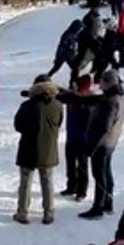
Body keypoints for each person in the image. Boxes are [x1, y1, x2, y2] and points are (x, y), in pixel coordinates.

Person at [14, 75, 63, 224]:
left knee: (25, 182)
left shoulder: (27, 106)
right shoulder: (58, 105)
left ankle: (22, 212)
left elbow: (18, 126)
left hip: (28, 148)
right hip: (48, 148)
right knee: (47, 181)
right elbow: (59, 123)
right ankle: (49, 212)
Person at [80, 70, 124, 219]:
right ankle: (107, 202)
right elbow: (93, 100)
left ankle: (98, 207)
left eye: (102, 82)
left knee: (99, 174)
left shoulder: (110, 101)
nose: (100, 85)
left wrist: (92, 146)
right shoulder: (115, 97)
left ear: (108, 83)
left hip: (102, 144)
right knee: (106, 172)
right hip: (110, 142)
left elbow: (104, 127)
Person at [56, 76, 95, 201]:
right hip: (71, 136)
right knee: (70, 164)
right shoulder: (71, 97)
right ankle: (71, 186)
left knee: (82, 166)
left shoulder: (89, 102)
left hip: (83, 139)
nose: (74, 87)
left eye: (76, 85)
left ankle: (82, 191)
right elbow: (61, 95)